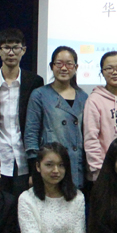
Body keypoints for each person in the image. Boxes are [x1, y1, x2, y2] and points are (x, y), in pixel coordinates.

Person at [12, 142, 89, 233]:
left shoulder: (77, 198)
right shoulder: (26, 199)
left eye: (61, 165)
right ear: (38, 166)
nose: (56, 170)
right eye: (49, 165)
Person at [0, 29, 44, 197]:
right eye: (6, 47)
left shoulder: (34, 82)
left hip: (23, 158)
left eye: (16, 47)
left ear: (24, 50)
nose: (11, 52)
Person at [25, 46, 88, 190]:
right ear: (51, 66)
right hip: (50, 164)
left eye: (69, 64)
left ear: (76, 67)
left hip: (76, 165)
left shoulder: (83, 97)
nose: (64, 68)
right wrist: (34, 168)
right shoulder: (40, 95)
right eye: (59, 63)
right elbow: (31, 133)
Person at [83, 51, 117, 188]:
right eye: (109, 68)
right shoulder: (94, 100)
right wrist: (98, 171)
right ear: (102, 72)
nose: (115, 72)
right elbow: (91, 138)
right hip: (105, 172)